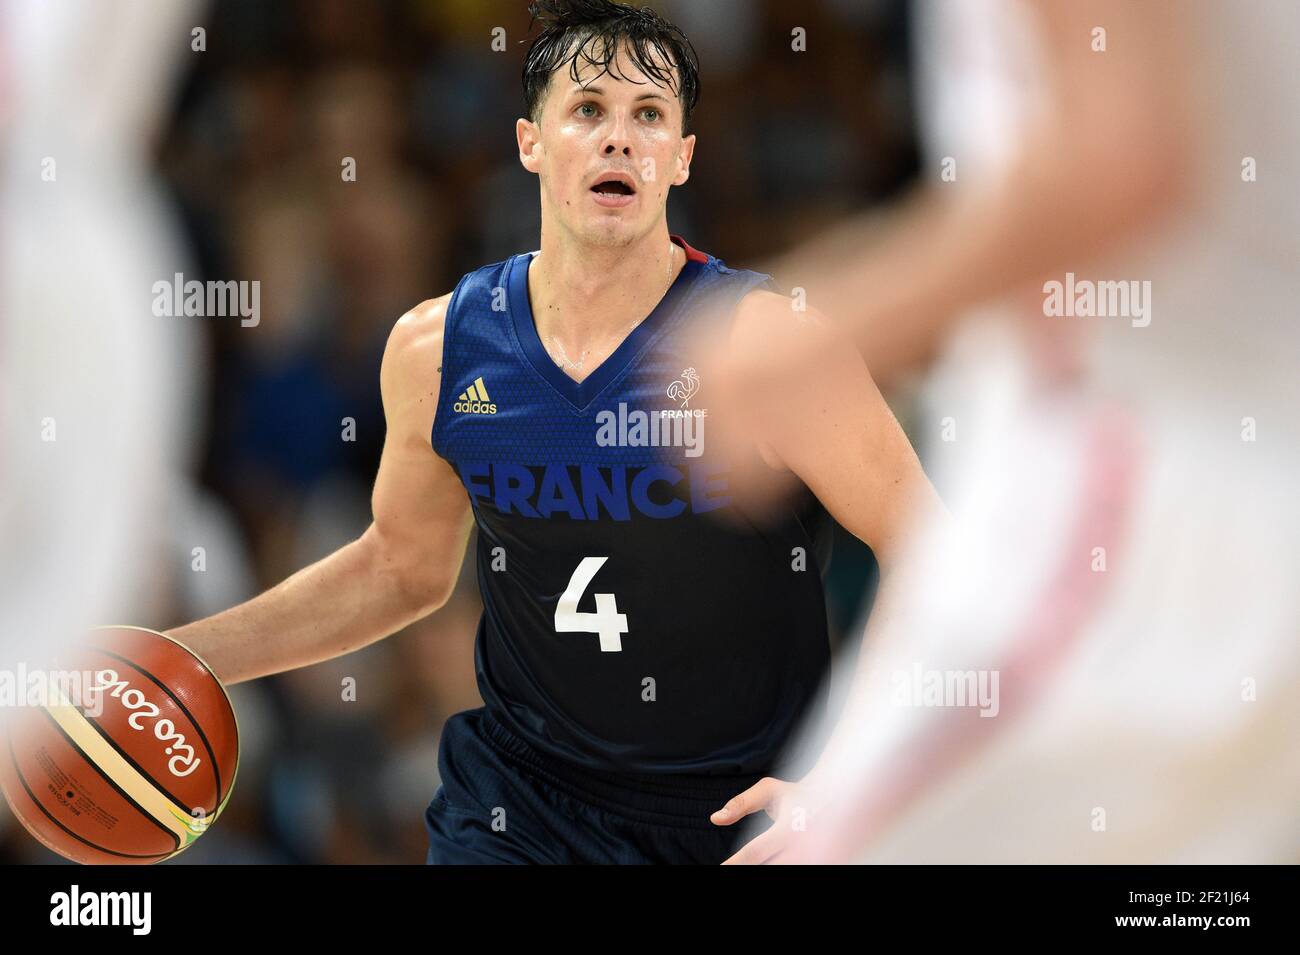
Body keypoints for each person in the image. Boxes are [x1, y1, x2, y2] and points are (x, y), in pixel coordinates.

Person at [165, 0, 941, 865]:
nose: (619, 139)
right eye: (589, 111)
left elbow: (932, 544)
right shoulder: (439, 348)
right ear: (531, 142)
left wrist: (847, 776)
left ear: (682, 159)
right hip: (518, 808)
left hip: (733, 816)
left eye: (649, 116)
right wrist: (177, 662)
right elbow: (400, 566)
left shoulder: (767, 339)